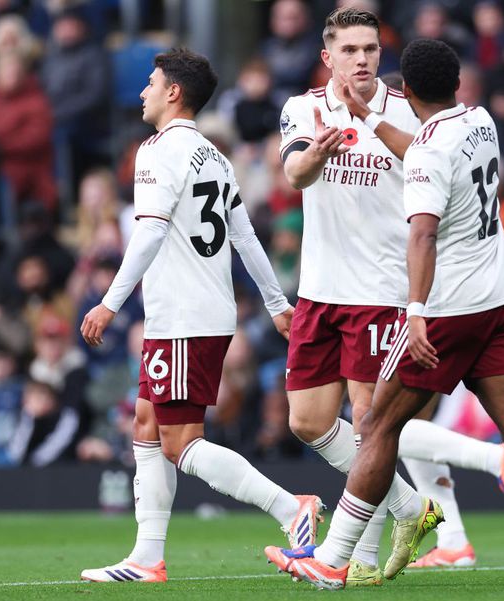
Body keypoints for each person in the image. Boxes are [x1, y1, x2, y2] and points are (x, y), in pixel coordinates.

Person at [268, 38, 504, 592]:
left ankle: (335, 556)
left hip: (447, 310)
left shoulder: (426, 152)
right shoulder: (480, 119)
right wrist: (371, 116)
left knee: (375, 427)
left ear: (409, 89)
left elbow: (422, 233)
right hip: (499, 299)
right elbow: (421, 144)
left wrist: (416, 312)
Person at [77, 49, 319, 584]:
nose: (142, 91)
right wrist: (277, 304)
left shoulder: (158, 150)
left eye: (150, 82)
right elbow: (245, 236)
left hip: (185, 316)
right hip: (196, 312)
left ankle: (290, 508)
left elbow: (151, 232)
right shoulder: (214, 155)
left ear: (173, 93)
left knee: (179, 441)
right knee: (146, 422)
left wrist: (109, 302)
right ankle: (146, 556)